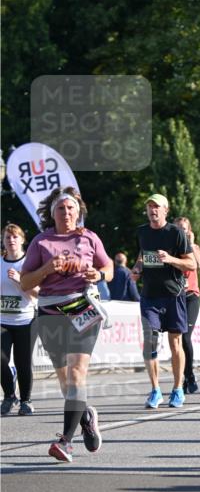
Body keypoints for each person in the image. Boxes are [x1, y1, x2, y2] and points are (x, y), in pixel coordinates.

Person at [20, 187, 113, 461]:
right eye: (61, 208)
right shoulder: (41, 242)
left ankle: (66, 441)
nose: (67, 212)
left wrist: (99, 274)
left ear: (78, 211)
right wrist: (48, 268)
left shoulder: (89, 238)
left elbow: (108, 267)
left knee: (75, 375)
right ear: (53, 213)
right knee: (65, 382)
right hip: (50, 313)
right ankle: (85, 416)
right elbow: (26, 283)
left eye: (71, 208)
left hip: (83, 307)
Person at [132, 194, 195, 409]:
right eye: (149, 207)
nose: (153, 210)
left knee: (175, 343)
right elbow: (142, 255)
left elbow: (192, 263)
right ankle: (155, 389)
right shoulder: (142, 232)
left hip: (173, 295)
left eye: (157, 207)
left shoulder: (175, 233)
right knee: (149, 341)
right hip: (149, 295)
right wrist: (138, 268)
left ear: (165, 210)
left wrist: (170, 259)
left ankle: (178, 389)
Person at [1, 224, 37, 416]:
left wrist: (20, 280)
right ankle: (9, 396)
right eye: (7, 237)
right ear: (3, 241)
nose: (11, 240)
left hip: (26, 320)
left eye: (15, 237)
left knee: (23, 362)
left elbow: (38, 294)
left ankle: (26, 401)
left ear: (22, 240)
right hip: (2, 320)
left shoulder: (29, 264)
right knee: (0, 359)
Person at [173, 216, 200, 394]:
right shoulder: (170, 250)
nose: (181, 231)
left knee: (185, 337)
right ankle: (183, 377)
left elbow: (199, 264)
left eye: (184, 228)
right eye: (178, 228)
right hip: (175, 297)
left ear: (189, 231)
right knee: (177, 340)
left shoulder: (194, 248)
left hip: (191, 296)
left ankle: (190, 375)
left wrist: (191, 244)